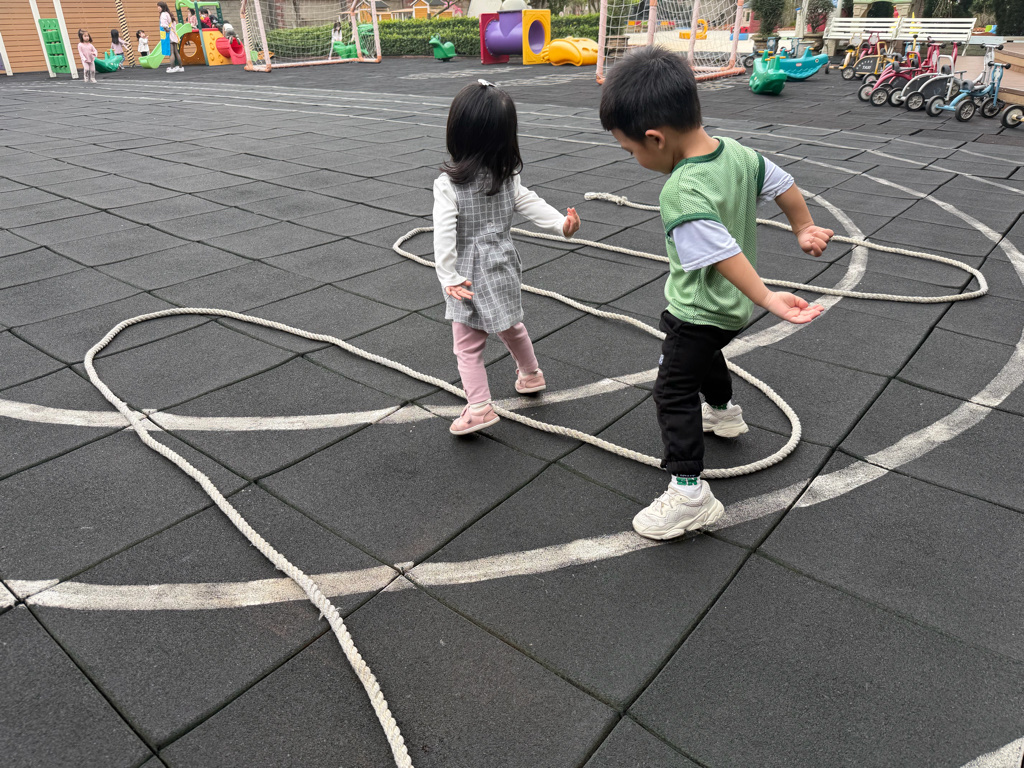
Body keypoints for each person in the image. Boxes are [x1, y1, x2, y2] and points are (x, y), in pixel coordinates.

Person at [599, 48, 833, 541]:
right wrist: (804, 226)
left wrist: (768, 298)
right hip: (731, 310)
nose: (634, 159)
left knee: (672, 388)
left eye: (629, 150)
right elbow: (783, 184)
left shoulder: (681, 191)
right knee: (705, 356)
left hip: (702, 308)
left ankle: (689, 493)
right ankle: (724, 414)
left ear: (655, 138)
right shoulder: (739, 155)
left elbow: (721, 253)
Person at [434, 80, 581, 436]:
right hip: (503, 262)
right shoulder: (507, 176)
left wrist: (448, 276)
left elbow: (444, 233)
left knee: (467, 344)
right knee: (510, 323)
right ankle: (530, 374)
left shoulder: (448, 185)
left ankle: (479, 407)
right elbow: (530, 202)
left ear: (458, 133)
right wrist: (560, 224)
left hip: (468, 274)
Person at [158, 2, 183, 72]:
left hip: (168, 36)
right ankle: (180, 67)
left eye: (159, 7)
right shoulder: (169, 14)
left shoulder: (163, 14)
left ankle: (172, 67)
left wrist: (166, 29)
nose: (158, 8)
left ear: (162, 7)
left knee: (171, 53)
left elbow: (164, 25)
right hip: (174, 35)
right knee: (176, 52)